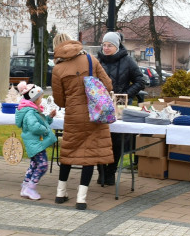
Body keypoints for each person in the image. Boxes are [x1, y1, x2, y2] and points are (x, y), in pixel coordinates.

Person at [51, 32, 113, 210]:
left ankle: (60, 193)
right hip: (94, 115)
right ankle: (81, 198)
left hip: (73, 117)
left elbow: (59, 101)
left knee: (68, 153)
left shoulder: (58, 69)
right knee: (89, 156)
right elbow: (108, 85)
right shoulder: (91, 60)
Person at [96, 31, 147, 186]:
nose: (106, 48)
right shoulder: (97, 61)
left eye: (109, 45)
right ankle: (101, 172)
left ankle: (111, 172)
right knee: (98, 139)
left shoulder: (128, 61)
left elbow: (140, 81)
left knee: (116, 141)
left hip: (119, 108)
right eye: (104, 45)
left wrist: (125, 95)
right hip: (100, 106)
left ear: (116, 46)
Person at [14, 81, 56, 201]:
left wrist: (49, 118)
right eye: (40, 98)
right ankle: (30, 187)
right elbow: (35, 126)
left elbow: (40, 122)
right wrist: (45, 130)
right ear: (34, 99)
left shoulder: (31, 110)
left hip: (34, 143)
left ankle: (25, 186)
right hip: (35, 143)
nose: (41, 100)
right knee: (42, 165)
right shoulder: (30, 112)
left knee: (34, 164)